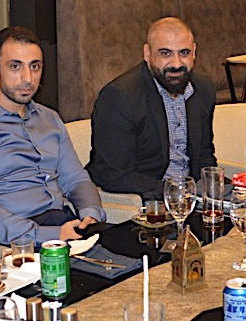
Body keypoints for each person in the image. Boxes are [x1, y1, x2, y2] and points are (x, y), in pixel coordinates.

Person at [0, 26, 103, 243]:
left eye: (35, 66)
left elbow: (75, 179)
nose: (28, 78)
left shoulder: (50, 119)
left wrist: (90, 214)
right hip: (17, 242)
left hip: (65, 224)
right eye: (15, 66)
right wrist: (47, 235)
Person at [88, 17, 217, 200]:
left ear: (194, 52)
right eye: (165, 53)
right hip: (145, 201)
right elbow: (113, 175)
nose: (176, 64)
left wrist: (215, 191)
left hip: (191, 199)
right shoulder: (119, 97)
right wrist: (177, 192)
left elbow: (204, 156)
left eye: (184, 53)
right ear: (147, 53)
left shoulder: (203, 88)